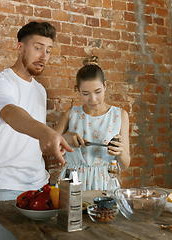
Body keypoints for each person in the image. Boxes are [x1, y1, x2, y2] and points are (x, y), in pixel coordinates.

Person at [0, 21, 72, 240]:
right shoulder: (0, 83)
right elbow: (12, 114)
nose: (44, 56)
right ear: (20, 48)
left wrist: (58, 138)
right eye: (38, 47)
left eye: (48, 50)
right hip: (5, 186)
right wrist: (45, 133)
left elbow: (31, 136)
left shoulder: (40, 90)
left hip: (40, 187)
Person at [54, 56, 130, 191]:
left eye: (98, 92)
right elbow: (49, 146)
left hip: (105, 184)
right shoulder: (71, 114)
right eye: (85, 93)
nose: (93, 99)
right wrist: (64, 138)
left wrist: (121, 152)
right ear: (77, 90)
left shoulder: (119, 115)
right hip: (72, 181)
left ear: (105, 86)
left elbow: (125, 165)